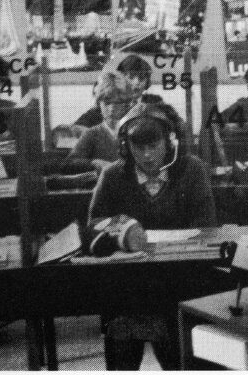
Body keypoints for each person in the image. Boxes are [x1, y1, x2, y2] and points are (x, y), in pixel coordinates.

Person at [87, 102, 216, 370]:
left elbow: (207, 226)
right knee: (122, 354)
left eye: (153, 147)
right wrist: (124, 231)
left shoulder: (192, 170)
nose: (146, 156)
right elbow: (93, 225)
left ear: (170, 142)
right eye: (138, 148)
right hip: (128, 289)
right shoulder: (112, 175)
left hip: (177, 284)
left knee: (181, 361)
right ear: (125, 146)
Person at [64, 71, 135, 173]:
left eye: (118, 103)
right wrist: (93, 163)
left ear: (126, 104)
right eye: (107, 103)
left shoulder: (135, 130)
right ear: (99, 103)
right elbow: (68, 164)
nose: (111, 109)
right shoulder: (93, 133)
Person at [75, 55, 151, 128]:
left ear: (147, 82)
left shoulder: (150, 107)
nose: (136, 83)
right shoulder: (103, 106)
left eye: (141, 78)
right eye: (131, 77)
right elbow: (77, 128)